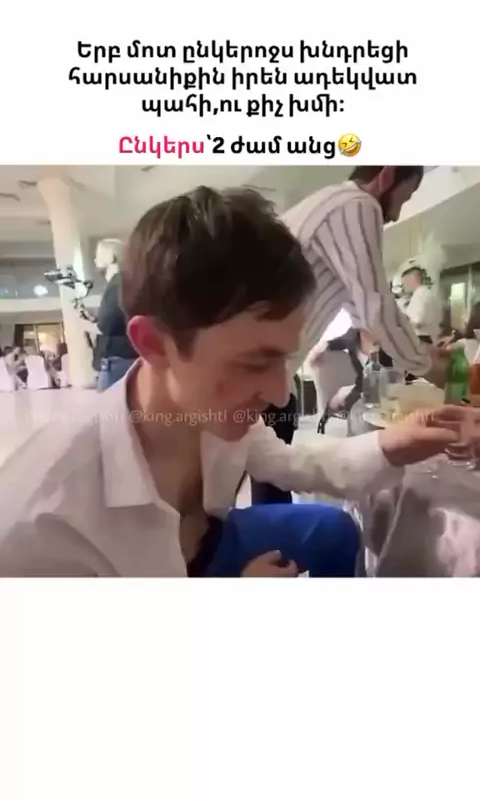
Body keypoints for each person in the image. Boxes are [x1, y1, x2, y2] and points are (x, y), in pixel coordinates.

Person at [0, 186, 474, 578]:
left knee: (333, 530)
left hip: (208, 542)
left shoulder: (209, 414)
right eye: (253, 362)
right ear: (155, 343)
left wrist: (399, 442)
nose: (280, 393)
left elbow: (298, 461)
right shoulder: (44, 526)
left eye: (283, 359)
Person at [251, 165, 448, 504]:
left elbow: (364, 313)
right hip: (256, 377)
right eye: (404, 198)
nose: (396, 214)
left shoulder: (329, 206)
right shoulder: (357, 204)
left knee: (268, 482)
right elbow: (376, 307)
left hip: (266, 376)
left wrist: (423, 353)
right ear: (386, 175)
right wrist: (431, 368)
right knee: (247, 486)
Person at [79, 238, 138, 391]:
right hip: (128, 356)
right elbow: (118, 321)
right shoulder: (127, 281)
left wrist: (82, 324)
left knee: (109, 405)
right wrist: (94, 320)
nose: (95, 259)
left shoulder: (116, 283)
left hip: (117, 361)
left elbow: (105, 327)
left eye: (98, 255)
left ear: (112, 258)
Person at [400, 266, 442, 344]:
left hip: (422, 339)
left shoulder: (420, 296)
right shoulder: (430, 293)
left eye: (404, 282)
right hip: (431, 337)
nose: (403, 286)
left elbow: (417, 324)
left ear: (412, 280)